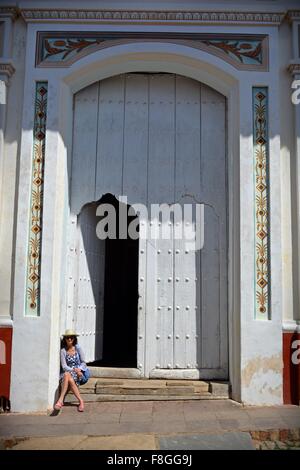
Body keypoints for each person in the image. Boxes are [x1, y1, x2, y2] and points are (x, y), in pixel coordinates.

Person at [54, 329, 88, 412]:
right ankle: (81, 401)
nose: (69, 339)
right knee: (67, 375)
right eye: (67, 338)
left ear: (74, 339)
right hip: (68, 372)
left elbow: (84, 362)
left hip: (77, 374)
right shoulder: (63, 351)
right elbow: (64, 366)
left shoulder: (78, 348)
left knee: (68, 376)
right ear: (65, 339)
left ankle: (60, 400)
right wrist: (74, 369)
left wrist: (79, 369)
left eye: (71, 338)